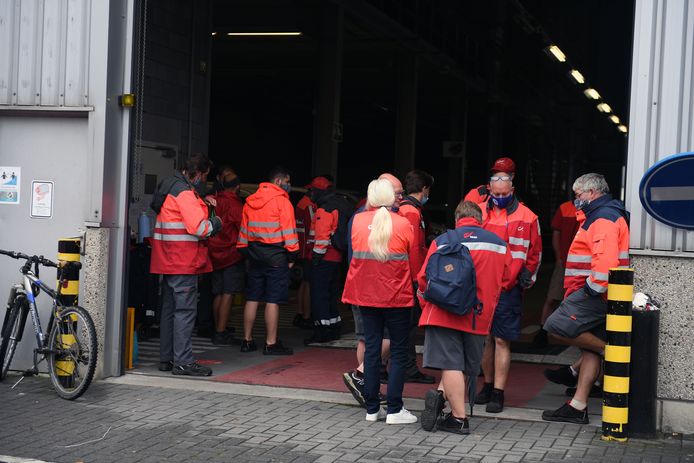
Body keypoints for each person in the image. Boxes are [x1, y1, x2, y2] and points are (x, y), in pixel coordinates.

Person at [542, 173, 630, 424]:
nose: (576, 200)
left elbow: (604, 263)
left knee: (555, 324)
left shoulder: (603, 218)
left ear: (592, 193)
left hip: (594, 293)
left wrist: (590, 290)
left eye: (578, 195)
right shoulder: (601, 215)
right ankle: (578, 406)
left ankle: (611, 351)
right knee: (589, 349)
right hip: (599, 293)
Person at [419, 201, 511, 434]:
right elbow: (508, 278)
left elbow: (423, 279)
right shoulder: (499, 245)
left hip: (443, 313)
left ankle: (459, 419)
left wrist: (425, 304)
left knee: (450, 364)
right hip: (478, 316)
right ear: (480, 220)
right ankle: (442, 397)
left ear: (457, 219)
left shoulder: (442, 242)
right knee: (464, 367)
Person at [342, 178, 418, 425]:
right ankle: (395, 409)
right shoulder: (404, 224)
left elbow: (353, 256)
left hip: (365, 295)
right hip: (397, 297)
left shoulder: (357, 221)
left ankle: (372, 409)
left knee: (372, 351)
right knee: (398, 352)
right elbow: (414, 265)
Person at [475, 158, 542, 413]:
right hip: (482, 286)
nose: (500, 197)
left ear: (512, 190)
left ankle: (499, 393)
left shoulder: (528, 217)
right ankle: (488, 385)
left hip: (508, 287)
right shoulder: (479, 212)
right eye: (496, 193)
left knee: (502, 339)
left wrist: (528, 277)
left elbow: (535, 252)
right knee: (484, 339)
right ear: (490, 190)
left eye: (505, 193)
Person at [150, 153, 222, 376]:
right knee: (185, 312)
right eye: (204, 176)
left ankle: (167, 359)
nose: (203, 181)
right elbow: (199, 229)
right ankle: (183, 362)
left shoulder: (169, 186)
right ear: (198, 173)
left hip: (167, 260)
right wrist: (216, 222)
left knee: (170, 311)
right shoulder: (184, 193)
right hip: (183, 261)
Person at [237, 167, 298, 355]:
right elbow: (289, 232)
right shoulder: (283, 202)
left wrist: (248, 253)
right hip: (276, 257)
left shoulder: (250, 201)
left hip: (254, 256)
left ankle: (247, 341)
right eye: (288, 182)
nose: (289, 185)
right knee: (273, 300)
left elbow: (244, 233)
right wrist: (292, 256)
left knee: (252, 298)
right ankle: (270, 344)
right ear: (279, 182)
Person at [400, 170, 436, 384]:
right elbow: (413, 248)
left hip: (405, 274)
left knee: (406, 324)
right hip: (409, 276)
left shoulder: (407, 209)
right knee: (409, 324)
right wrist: (418, 280)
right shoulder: (412, 212)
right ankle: (408, 367)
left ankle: (402, 365)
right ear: (424, 189)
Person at [304, 176, 347, 344]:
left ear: (319, 191)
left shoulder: (324, 209)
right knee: (330, 294)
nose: (310, 193)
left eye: (311, 190)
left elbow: (321, 237)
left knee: (319, 295)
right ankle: (333, 328)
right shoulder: (339, 204)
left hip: (324, 258)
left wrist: (315, 257)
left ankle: (321, 332)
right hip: (336, 258)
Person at [532, 200, 579, 347]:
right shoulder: (564, 208)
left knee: (576, 301)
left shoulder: (592, 209)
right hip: (564, 263)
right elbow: (556, 234)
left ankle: (575, 335)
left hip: (581, 265)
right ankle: (542, 331)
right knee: (552, 297)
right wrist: (559, 256)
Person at [207, 168, 244, 345]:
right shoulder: (236, 205)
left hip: (214, 253)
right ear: (237, 187)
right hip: (230, 254)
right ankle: (221, 331)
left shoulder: (214, 201)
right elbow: (243, 229)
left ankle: (217, 329)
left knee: (218, 293)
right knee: (228, 293)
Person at [293, 179, 319, 330]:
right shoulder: (308, 205)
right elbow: (311, 230)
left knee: (303, 283)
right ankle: (307, 316)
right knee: (308, 283)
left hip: (300, 249)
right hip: (307, 250)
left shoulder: (301, 203)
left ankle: (301, 312)